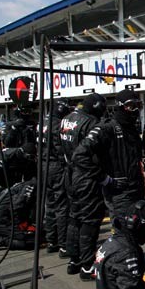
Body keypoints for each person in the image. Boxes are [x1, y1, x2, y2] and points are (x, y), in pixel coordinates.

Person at [73, 89, 145, 278]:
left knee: (136, 233)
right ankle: (122, 278)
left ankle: (128, 270)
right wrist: (104, 178)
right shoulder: (107, 127)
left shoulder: (131, 129)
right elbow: (80, 155)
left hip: (135, 189)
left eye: (138, 106)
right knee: (124, 235)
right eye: (131, 106)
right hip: (119, 192)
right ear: (120, 107)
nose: (135, 110)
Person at [60, 93, 106, 277]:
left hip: (69, 174)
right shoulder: (91, 123)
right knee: (90, 220)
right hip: (85, 176)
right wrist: (100, 175)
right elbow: (92, 154)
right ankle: (87, 265)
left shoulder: (67, 119)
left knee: (74, 217)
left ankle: (73, 259)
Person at [40, 99, 72, 253]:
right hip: (55, 166)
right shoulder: (56, 124)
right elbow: (60, 149)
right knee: (61, 205)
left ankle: (51, 240)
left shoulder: (42, 121)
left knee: (50, 204)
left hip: (43, 165)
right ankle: (63, 243)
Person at [0, 177, 37, 250]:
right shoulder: (31, 186)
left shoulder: (26, 184)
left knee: (31, 236)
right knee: (28, 241)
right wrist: (19, 226)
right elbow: (17, 207)